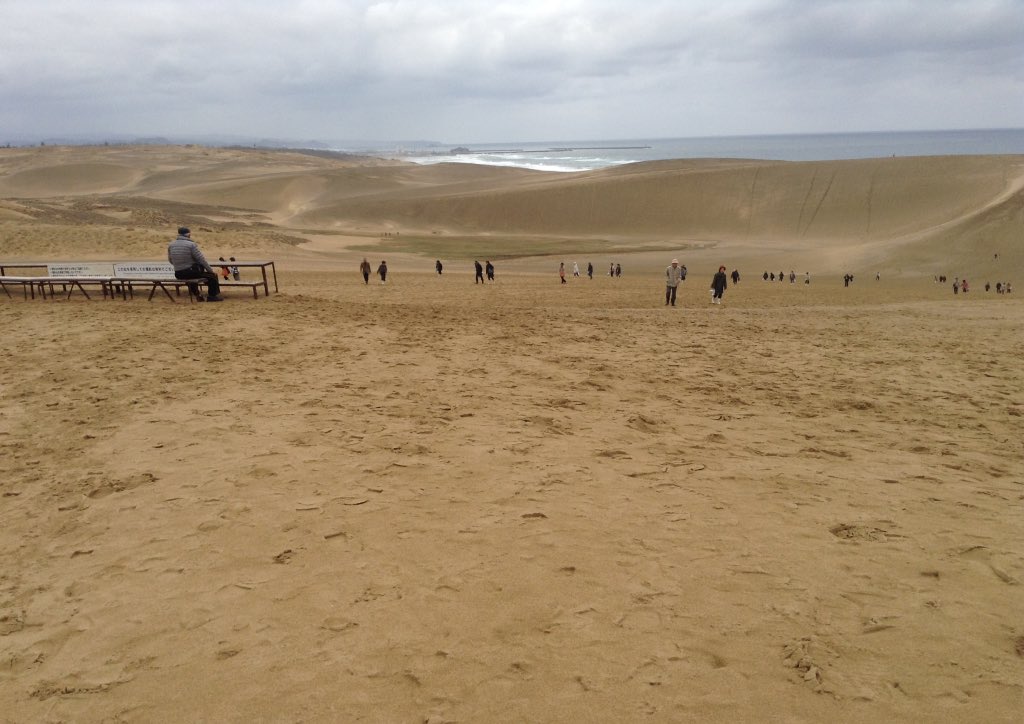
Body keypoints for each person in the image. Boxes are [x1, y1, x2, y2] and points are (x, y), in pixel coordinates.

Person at [167, 227, 222, 301]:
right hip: (190, 271)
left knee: (192, 279)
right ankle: (212, 296)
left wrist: (179, 265)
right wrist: (210, 270)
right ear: (188, 234)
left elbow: (170, 260)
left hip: (178, 273)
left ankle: (198, 295)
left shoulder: (171, 245)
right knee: (212, 277)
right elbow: (201, 260)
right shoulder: (191, 245)